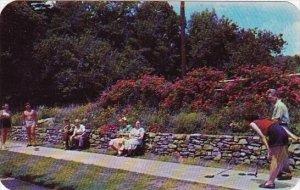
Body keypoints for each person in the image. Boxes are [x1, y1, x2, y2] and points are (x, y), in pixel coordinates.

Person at [247, 117, 299, 189]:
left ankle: (270, 183)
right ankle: (280, 173)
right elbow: (280, 127)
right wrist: (292, 135)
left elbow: (262, 137)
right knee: (280, 159)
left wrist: (269, 149)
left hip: (276, 133)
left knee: (274, 159)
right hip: (282, 132)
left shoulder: (252, 123)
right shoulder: (266, 121)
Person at [266, 88, 293, 180]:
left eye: (270, 98)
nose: (269, 100)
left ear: (275, 96)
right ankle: (284, 172)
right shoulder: (277, 105)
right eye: (268, 98)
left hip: (281, 129)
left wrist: (267, 124)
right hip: (280, 129)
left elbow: (276, 120)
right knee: (282, 152)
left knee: (279, 152)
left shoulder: (279, 106)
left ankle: (284, 172)